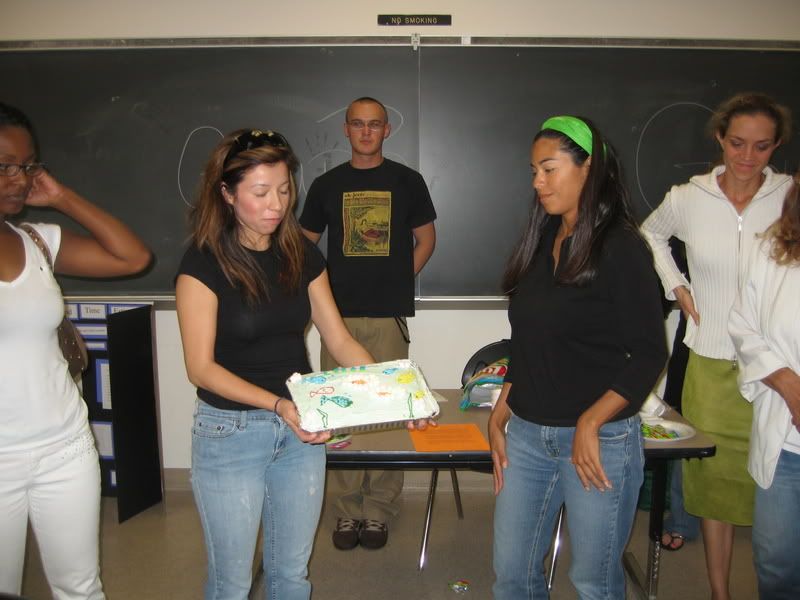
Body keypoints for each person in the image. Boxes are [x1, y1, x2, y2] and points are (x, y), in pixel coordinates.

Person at [175, 128, 376, 600]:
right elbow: (200, 368)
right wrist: (278, 405)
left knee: (291, 574)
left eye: (285, 190)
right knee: (233, 582)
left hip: (299, 430)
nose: (277, 205)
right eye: (260, 192)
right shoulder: (203, 264)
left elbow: (339, 337)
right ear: (226, 194)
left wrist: (388, 386)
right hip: (230, 432)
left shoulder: (301, 254)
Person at [489, 115, 667, 599]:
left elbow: (650, 352)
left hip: (600, 441)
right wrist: (503, 408)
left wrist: (590, 421)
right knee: (513, 575)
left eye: (548, 169)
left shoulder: (621, 247)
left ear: (588, 168)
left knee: (592, 581)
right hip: (527, 436)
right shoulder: (542, 238)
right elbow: (527, 340)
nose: (537, 182)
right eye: (533, 171)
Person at [640, 92, 793, 600]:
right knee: (711, 486)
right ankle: (720, 591)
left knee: (773, 484)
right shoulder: (689, 197)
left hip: (775, 370)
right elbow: (649, 234)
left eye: (762, 146)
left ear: (776, 148)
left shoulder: (789, 197)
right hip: (708, 357)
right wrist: (675, 285)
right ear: (720, 139)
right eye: (737, 143)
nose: (747, 157)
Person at [0, 102, 151, 599]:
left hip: (64, 445)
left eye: (28, 165)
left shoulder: (36, 242)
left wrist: (61, 196)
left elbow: (133, 257)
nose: (19, 178)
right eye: (5, 166)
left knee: (81, 588)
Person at [299, 96, 437, 550]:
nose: (365, 131)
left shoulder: (407, 180)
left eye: (374, 124)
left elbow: (427, 238)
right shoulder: (326, 184)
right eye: (357, 124)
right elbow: (303, 246)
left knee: (389, 415)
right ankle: (345, 511)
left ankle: (377, 510)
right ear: (346, 129)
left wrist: (399, 278)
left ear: (385, 131)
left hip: (387, 317)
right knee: (338, 414)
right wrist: (318, 297)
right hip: (335, 319)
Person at [729, 173, 800, 600]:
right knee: (775, 562)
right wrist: (787, 383)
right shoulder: (772, 253)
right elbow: (744, 327)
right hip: (787, 445)